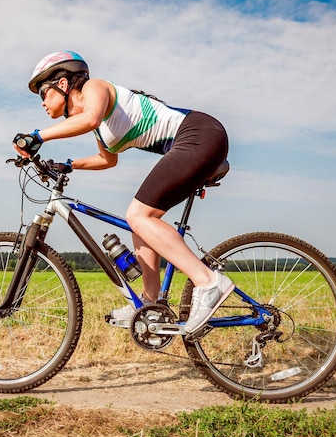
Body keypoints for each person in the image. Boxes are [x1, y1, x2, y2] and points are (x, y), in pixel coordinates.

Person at [14, 50, 234, 334]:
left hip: (199, 134)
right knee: (140, 221)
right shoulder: (100, 129)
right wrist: (68, 164)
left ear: (64, 84)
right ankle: (150, 304)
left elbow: (90, 117)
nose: (42, 102)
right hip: (192, 142)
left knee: (139, 214)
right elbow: (108, 160)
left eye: (43, 92)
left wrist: (37, 136)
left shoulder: (95, 88)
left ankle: (209, 283)